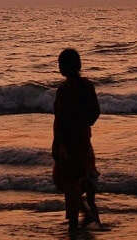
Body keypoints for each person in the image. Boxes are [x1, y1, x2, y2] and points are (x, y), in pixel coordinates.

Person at [52, 48, 101, 231]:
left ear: (65, 67)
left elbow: (60, 119)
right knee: (84, 179)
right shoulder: (87, 86)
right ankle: (90, 214)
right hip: (84, 139)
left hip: (68, 142)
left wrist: (60, 145)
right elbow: (94, 113)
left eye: (60, 64)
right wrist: (83, 123)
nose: (59, 67)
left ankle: (78, 220)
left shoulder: (64, 90)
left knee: (68, 183)